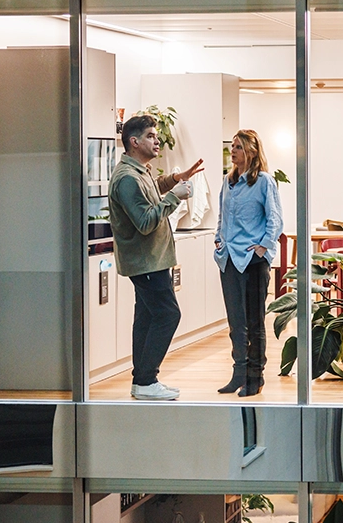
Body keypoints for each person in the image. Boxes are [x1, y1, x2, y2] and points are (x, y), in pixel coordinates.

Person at [109, 115, 204, 400]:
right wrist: (175, 196)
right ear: (134, 142)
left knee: (148, 317)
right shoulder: (127, 178)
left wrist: (175, 179)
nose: (157, 140)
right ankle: (147, 380)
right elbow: (146, 221)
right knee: (167, 315)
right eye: (151, 135)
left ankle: (143, 381)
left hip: (153, 260)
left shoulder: (140, 171)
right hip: (146, 262)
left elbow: (151, 192)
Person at [214, 129, 283, 397]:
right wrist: (219, 240)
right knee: (236, 322)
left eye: (238, 147)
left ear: (251, 152)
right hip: (229, 259)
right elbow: (222, 215)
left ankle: (256, 376)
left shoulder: (264, 181)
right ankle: (238, 372)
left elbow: (274, 219)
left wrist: (263, 246)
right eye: (232, 146)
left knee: (255, 322)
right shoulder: (228, 181)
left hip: (253, 261)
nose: (233, 151)